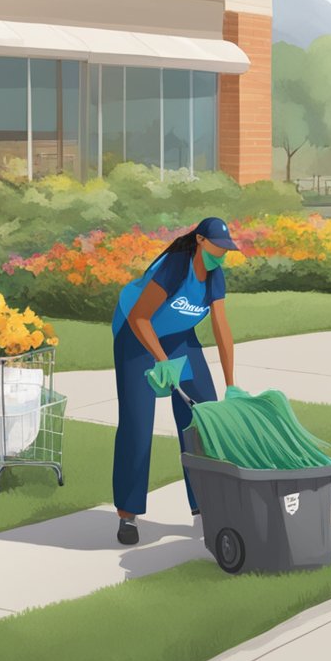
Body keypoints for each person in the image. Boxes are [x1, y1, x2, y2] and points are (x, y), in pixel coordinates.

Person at [110, 218, 238, 546]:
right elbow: (140, 317)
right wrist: (163, 363)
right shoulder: (174, 268)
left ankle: (204, 501)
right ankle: (128, 513)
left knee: (203, 416)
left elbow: (222, 329)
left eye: (226, 250)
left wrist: (231, 383)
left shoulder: (215, 277)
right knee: (138, 425)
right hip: (135, 336)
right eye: (217, 248)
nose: (221, 255)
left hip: (179, 338)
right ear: (199, 241)